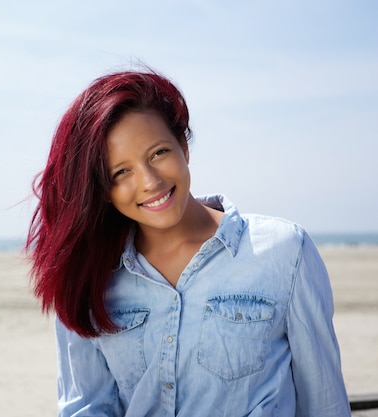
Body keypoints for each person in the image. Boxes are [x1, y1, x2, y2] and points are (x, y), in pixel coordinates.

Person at [26, 69, 351, 416]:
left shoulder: (285, 252)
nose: (149, 182)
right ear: (102, 190)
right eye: (121, 172)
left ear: (183, 146)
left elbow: (325, 403)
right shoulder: (86, 276)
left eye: (158, 153)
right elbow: (87, 407)